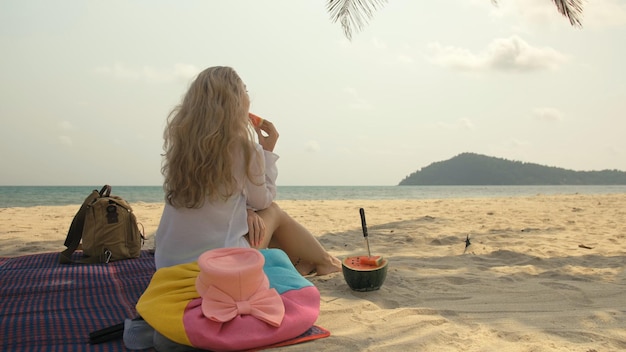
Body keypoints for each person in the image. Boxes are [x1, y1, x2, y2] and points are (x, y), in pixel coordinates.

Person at [154, 66, 341, 276]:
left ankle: (305, 262)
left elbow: (211, 202)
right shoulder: (243, 149)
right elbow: (264, 201)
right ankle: (326, 262)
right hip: (218, 267)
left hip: (167, 264)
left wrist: (247, 211)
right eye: (245, 91)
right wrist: (267, 153)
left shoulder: (180, 146)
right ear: (236, 102)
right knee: (274, 212)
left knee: (258, 220)